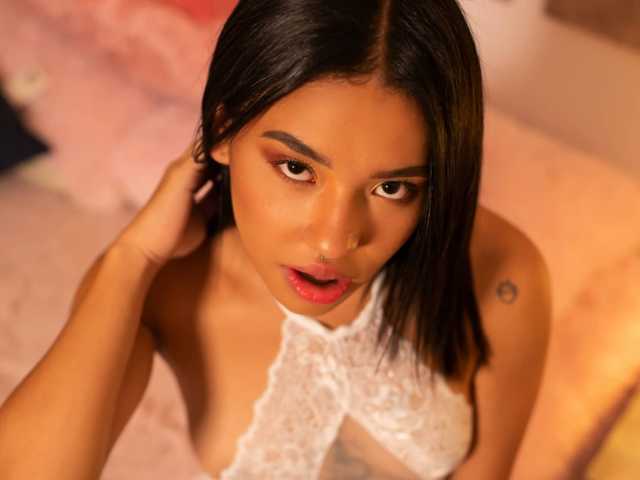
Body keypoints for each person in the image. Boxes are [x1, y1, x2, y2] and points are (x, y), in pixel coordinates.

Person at [0, 0, 552, 479]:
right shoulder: (159, 289)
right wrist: (130, 257)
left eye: (391, 188)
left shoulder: (500, 272)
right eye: (296, 168)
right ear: (223, 130)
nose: (334, 242)